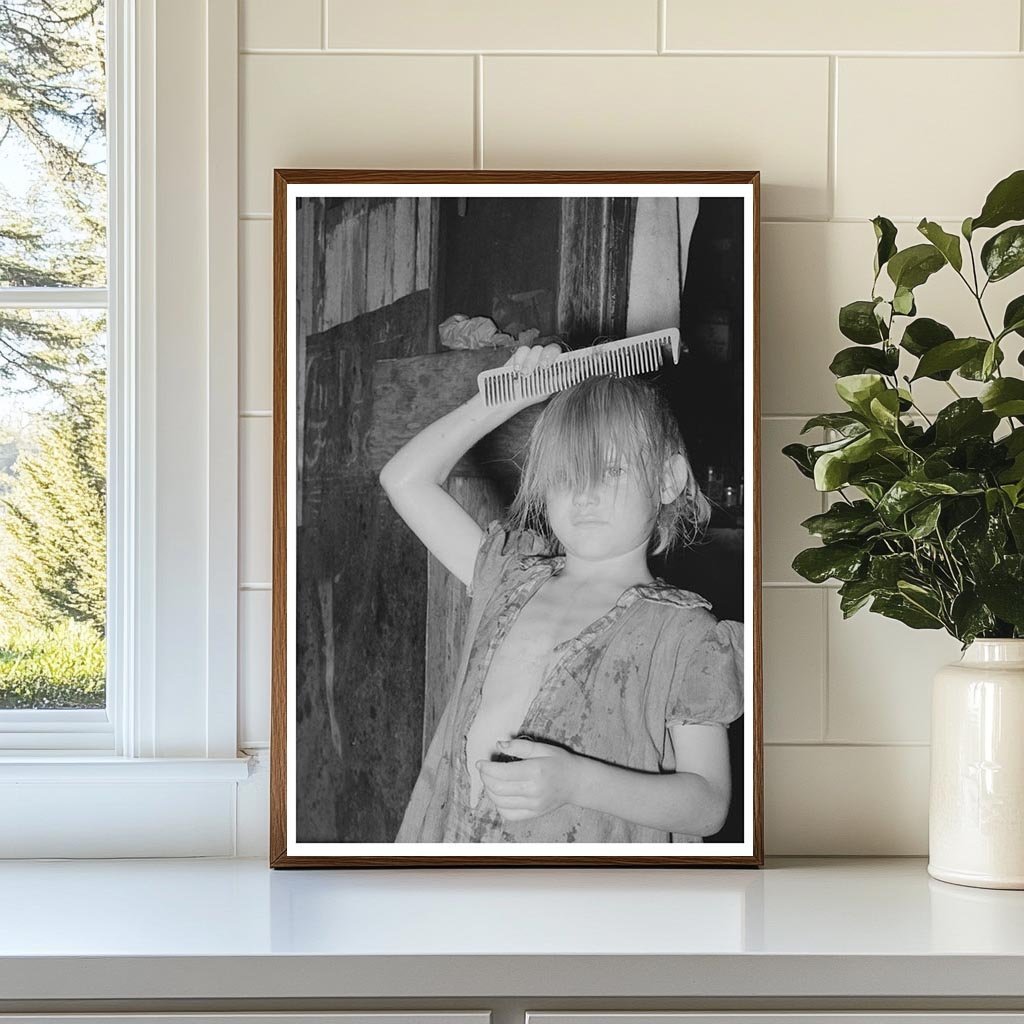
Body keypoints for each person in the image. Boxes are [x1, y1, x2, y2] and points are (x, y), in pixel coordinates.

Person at [378, 342, 743, 843]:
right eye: (567, 476)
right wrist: (503, 398)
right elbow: (405, 479)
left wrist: (577, 781)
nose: (585, 494)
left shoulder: (683, 634)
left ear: (667, 480)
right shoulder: (506, 578)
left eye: (611, 470)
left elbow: (707, 805)